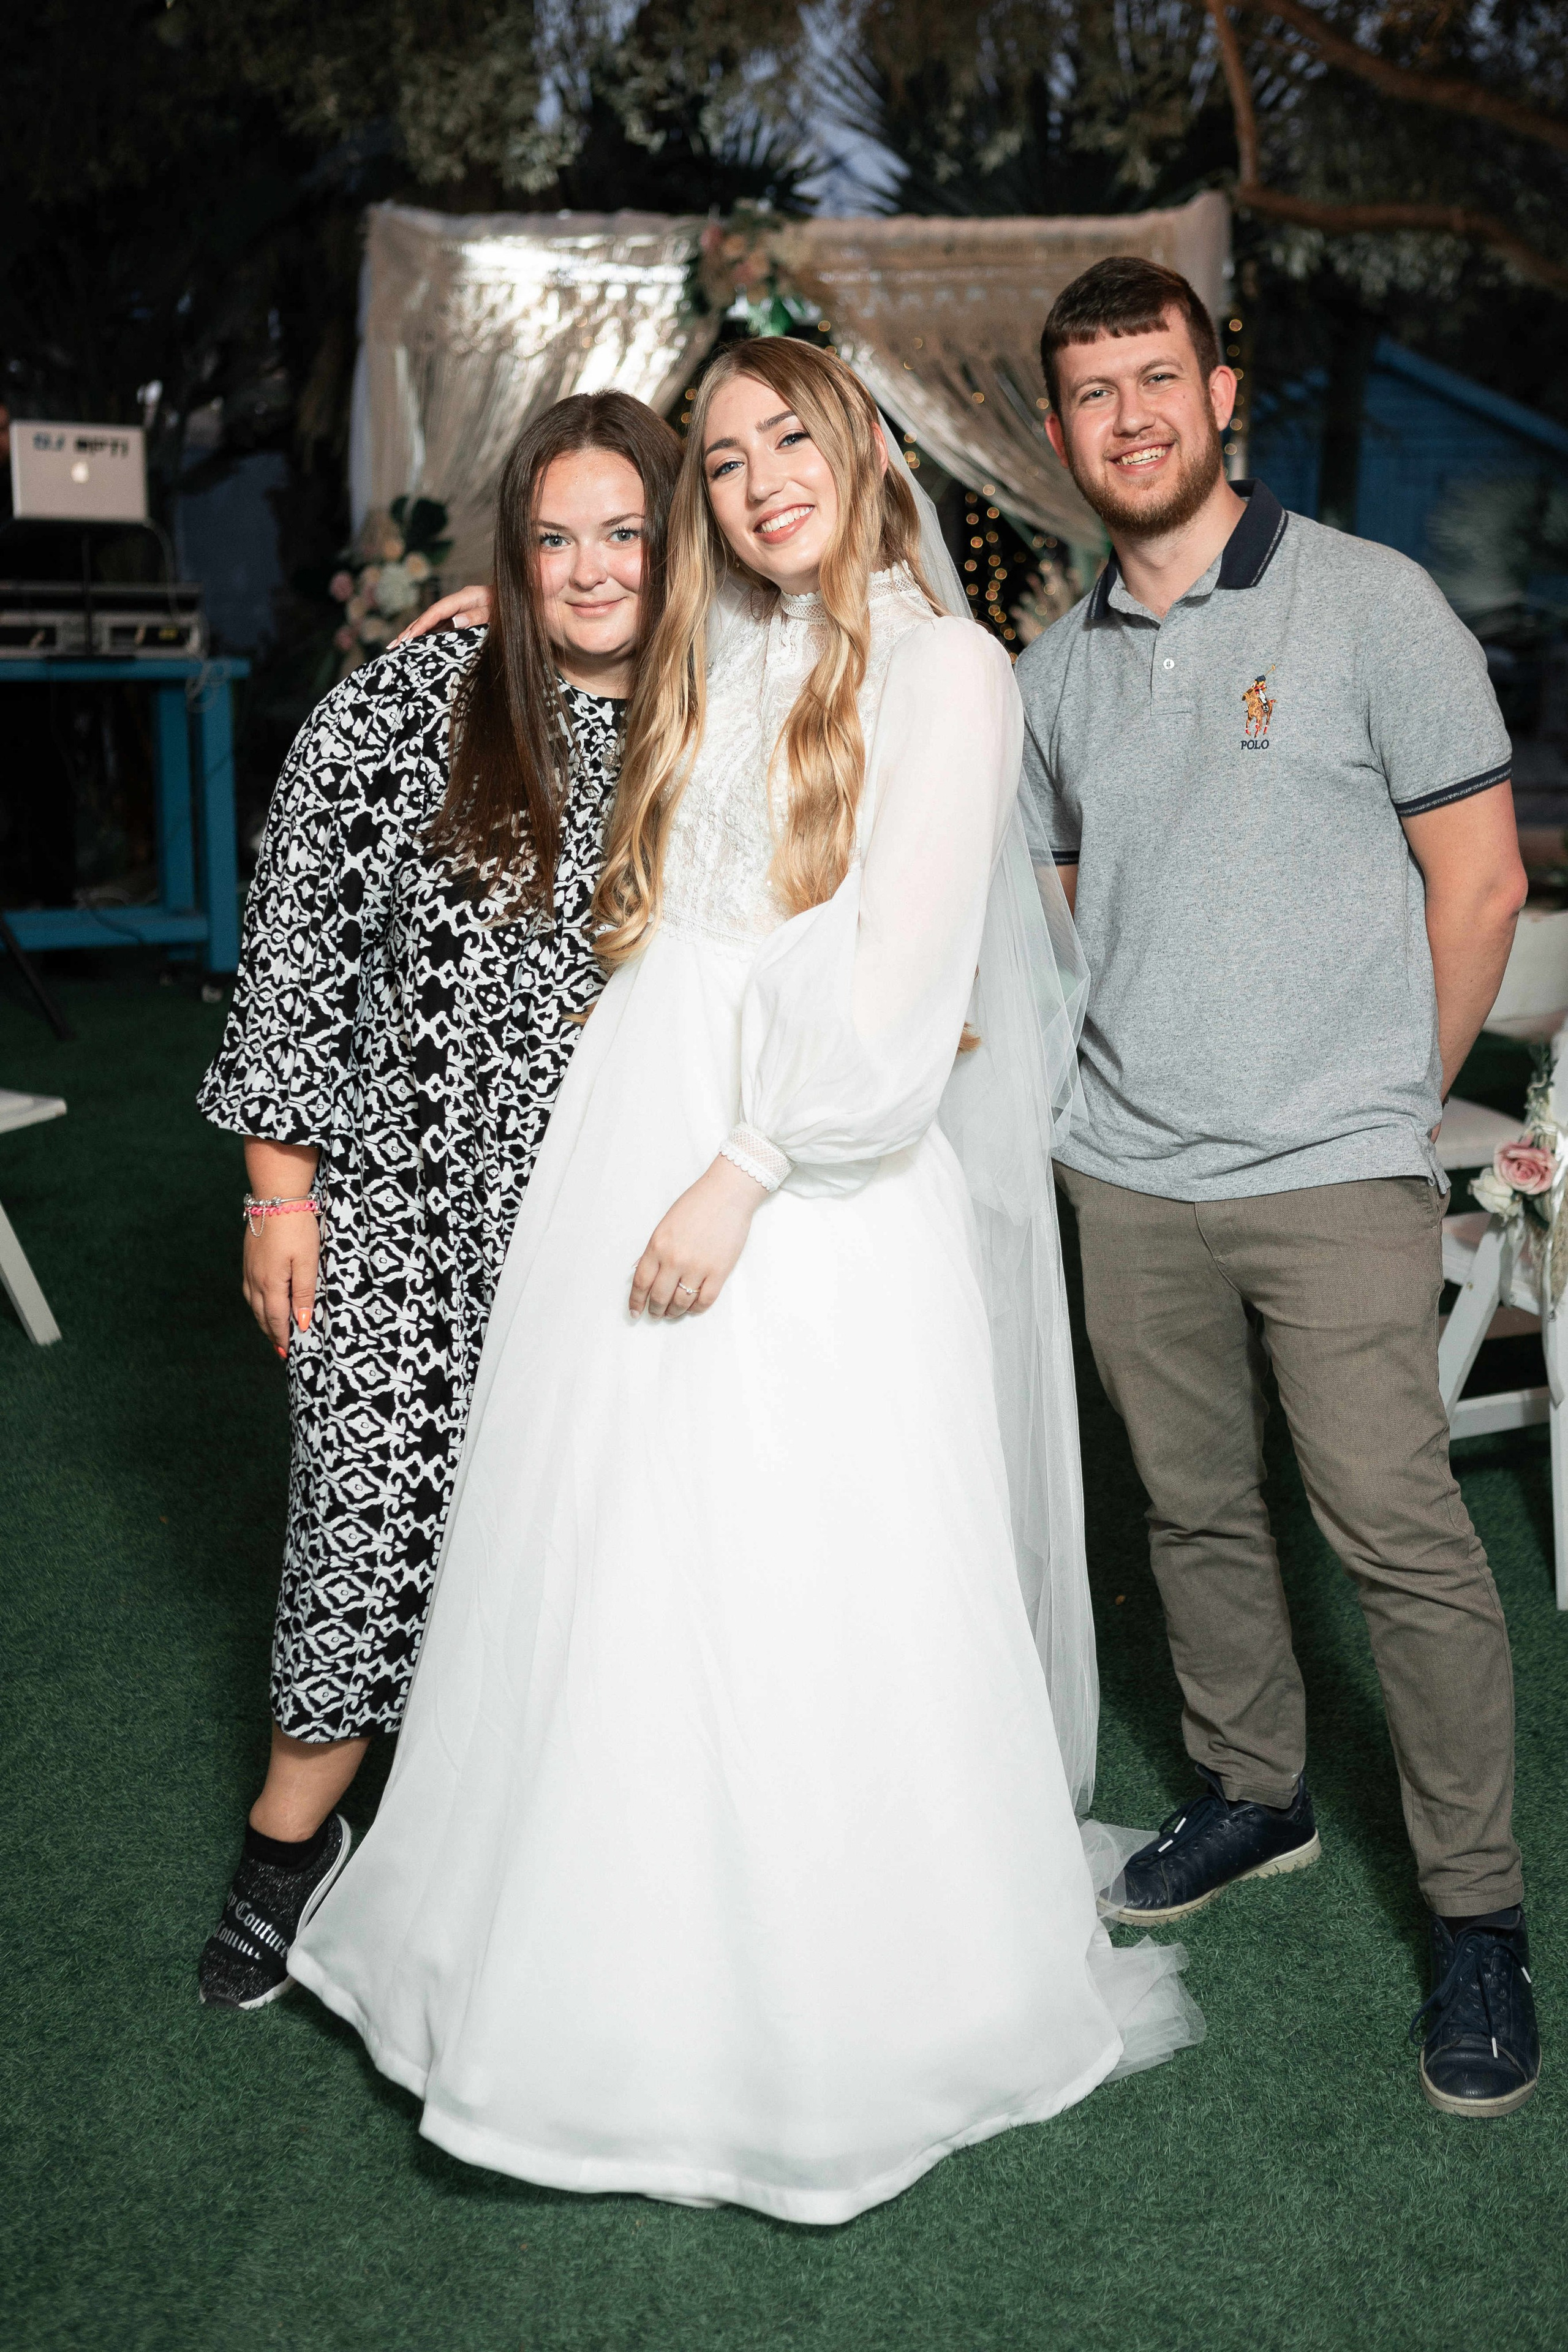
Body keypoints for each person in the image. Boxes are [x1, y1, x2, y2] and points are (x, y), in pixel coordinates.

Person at [288, 337, 1200, 2223]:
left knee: (798, 1558)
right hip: (632, 1117)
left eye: (790, 436)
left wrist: (749, 1172)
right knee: (608, 1552)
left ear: (860, 448)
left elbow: (904, 973)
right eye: (720, 459)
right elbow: (593, 679)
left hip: (794, 1173)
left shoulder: (947, 670)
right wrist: (478, 615)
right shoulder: (725, 643)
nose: (760, 477)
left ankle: (825, 2000)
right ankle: (579, 1965)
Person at [1017, 254, 1540, 2117]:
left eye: (1158, 378)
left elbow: (1476, 889)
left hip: (1335, 1162)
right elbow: (1063, 895)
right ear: (1062, 428)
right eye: (1092, 393)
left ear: (1221, 391)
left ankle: (1479, 1917)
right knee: (1190, 1508)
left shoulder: (1368, 604)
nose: (1130, 418)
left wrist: (1384, 1110)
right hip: (1127, 1169)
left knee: (1397, 1534)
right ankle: (1255, 1793)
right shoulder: (1054, 669)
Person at [194, 393, 682, 2010]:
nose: (592, 570)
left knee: (593, 1561)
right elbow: (300, 961)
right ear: (513, 553)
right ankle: (291, 1838)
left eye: (626, 532)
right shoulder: (405, 712)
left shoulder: (722, 724)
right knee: (365, 1503)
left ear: (676, 545)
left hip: (619, 1245)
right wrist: (281, 1198)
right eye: (555, 538)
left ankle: (523, 1850)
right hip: (403, 1220)